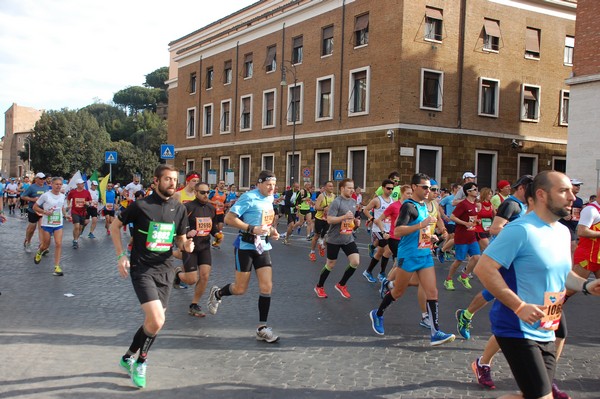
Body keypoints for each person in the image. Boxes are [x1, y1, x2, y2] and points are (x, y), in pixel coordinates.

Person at [474, 170, 600, 399]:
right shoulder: (520, 230)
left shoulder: (562, 232)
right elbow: (483, 269)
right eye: (563, 191)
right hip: (516, 328)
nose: (572, 197)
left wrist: (585, 286)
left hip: (547, 329)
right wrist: (519, 305)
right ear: (541, 195)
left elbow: (563, 274)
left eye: (571, 191)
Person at [110, 164, 194, 389]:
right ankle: (141, 361)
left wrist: (187, 244)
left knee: (153, 323)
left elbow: (180, 239)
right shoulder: (140, 206)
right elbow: (115, 226)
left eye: (175, 180)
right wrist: (121, 255)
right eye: (167, 179)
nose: (172, 183)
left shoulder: (180, 208)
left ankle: (127, 356)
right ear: (156, 181)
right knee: (157, 320)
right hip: (142, 268)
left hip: (166, 269)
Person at [455, 174, 533, 389]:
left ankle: (466, 315)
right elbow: (495, 228)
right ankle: (468, 320)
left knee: (495, 295)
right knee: (499, 297)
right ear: (522, 188)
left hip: (517, 260)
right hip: (504, 257)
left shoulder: (525, 206)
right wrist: (520, 232)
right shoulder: (511, 204)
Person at [369, 173, 455, 346]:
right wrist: (421, 226)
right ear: (414, 187)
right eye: (424, 187)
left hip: (424, 254)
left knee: (433, 292)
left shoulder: (424, 205)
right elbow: (398, 231)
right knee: (398, 292)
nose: (427, 190)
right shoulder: (408, 207)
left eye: (429, 188)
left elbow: (421, 232)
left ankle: (435, 332)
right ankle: (377, 313)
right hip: (408, 255)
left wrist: (430, 237)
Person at [207, 170, 280, 343]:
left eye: (274, 185)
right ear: (259, 183)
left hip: (262, 246)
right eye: (268, 184)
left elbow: (266, 222)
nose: (272, 188)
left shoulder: (270, 198)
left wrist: (272, 231)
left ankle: (262, 328)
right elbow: (229, 218)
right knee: (240, 289)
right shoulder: (248, 197)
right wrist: (251, 229)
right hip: (245, 246)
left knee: (267, 286)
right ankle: (218, 293)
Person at [173, 181, 220, 317]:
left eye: (207, 192)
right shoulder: (187, 207)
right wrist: (187, 233)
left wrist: (216, 234)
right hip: (190, 247)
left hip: (204, 246)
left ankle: (194, 304)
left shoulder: (211, 208)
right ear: (195, 192)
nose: (206, 195)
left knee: (204, 275)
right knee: (191, 279)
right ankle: (177, 275)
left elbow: (213, 226)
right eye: (202, 192)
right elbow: (179, 225)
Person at [314, 178, 361, 299]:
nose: (352, 190)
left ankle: (341, 285)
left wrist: (356, 223)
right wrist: (344, 217)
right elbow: (330, 219)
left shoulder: (353, 202)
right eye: (349, 188)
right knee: (330, 264)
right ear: (342, 189)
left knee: (355, 261)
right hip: (334, 238)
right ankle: (319, 286)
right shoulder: (337, 202)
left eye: (353, 188)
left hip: (347, 238)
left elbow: (351, 222)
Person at [444, 182, 481, 290]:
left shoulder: (474, 204)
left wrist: (476, 221)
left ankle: (464, 276)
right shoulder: (463, 204)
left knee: (477, 257)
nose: (476, 191)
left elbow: (472, 219)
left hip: (471, 235)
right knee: (459, 260)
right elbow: (452, 217)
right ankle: (448, 280)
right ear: (468, 192)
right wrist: (465, 223)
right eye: (474, 189)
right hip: (462, 236)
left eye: (476, 189)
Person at [32, 177, 71, 276]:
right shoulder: (46, 196)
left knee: (58, 244)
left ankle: (57, 267)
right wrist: (45, 212)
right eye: (56, 184)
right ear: (52, 185)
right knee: (46, 245)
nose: (58, 186)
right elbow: (35, 207)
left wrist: (65, 215)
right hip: (46, 223)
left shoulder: (62, 196)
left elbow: (61, 207)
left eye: (60, 184)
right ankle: (40, 251)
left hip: (58, 223)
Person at [362, 179, 395, 282]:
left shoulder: (393, 201)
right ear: (383, 188)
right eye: (388, 188)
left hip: (388, 230)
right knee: (388, 250)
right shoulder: (377, 200)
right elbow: (365, 210)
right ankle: (382, 273)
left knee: (380, 252)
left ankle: (368, 271)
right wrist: (372, 219)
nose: (390, 190)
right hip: (378, 230)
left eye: (392, 189)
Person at [20, 172, 49, 253]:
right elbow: (23, 196)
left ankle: (42, 246)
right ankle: (28, 242)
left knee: (42, 228)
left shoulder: (46, 188)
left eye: (43, 179)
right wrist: (33, 199)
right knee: (32, 228)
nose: (42, 180)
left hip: (42, 211)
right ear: (36, 179)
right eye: (40, 179)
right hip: (33, 211)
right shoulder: (31, 187)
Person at [309, 181, 335, 262]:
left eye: (332, 186)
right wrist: (324, 208)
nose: (332, 187)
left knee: (327, 235)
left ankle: (322, 246)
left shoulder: (334, 196)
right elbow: (316, 207)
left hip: (328, 219)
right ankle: (312, 252)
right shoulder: (321, 196)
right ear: (326, 187)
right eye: (330, 186)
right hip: (319, 218)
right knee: (317, 235)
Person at [559, 178, 584, 254]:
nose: (578, 187)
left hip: (574, 226)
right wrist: (563, 214)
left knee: (571, 246)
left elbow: (579, 211)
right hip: (563, 224)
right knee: (573, 245)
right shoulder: (562, 197)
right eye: (576, 185)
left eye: (579, 185)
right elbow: (553, 208)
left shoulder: (580, 200)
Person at [67, 178, 92, 249]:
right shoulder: (73, 192)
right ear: (77, 184)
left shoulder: (87, 192)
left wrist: (88, 203)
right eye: (81, 183)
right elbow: (68, 198)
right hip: (75, 211)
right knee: (76, 226)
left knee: (80, 228)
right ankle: (75, 241)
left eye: (83, 183)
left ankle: (76, 239)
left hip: (83, 212)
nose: (83, 184)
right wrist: (69, 205)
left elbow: (90, 200)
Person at [208, 179, 227, 248]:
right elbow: (207, 200)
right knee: (214, 228)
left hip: (221, 212)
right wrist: (214, 202)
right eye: (221, 183)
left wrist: (226, 205)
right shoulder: (213, 192)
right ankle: (211, 241)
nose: (222, 185)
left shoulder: (225, 194)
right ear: (218, 184)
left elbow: (224, 203)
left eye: (223, 183)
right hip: (213, 212)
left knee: (220, 228)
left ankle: (215, 243)